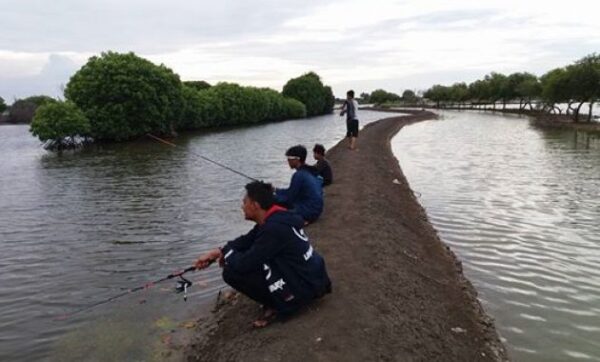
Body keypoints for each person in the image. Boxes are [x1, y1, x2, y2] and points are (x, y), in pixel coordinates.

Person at [194, 181, 331, 327]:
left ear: (255, 205)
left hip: (307, 287)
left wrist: (227, 254)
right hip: (315, 279)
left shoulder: (273, 228)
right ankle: (280, 298)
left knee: (231, 272)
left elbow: (244, 264)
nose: (242, 207)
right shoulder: (277, 217)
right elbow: (246, 240)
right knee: (244, 257)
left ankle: (282, 304)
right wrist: (218, 252)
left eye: (244, 202)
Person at [274, 145, 324, 223]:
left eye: (290, 158)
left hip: (309, 212)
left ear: (297, 159)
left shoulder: (299, 175)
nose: (288, 160)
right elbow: (292, 192)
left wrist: (273, 197)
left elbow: (289, 199)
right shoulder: (309, 171)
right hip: (316, 209)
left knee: (273, 206)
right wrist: (276, 190)